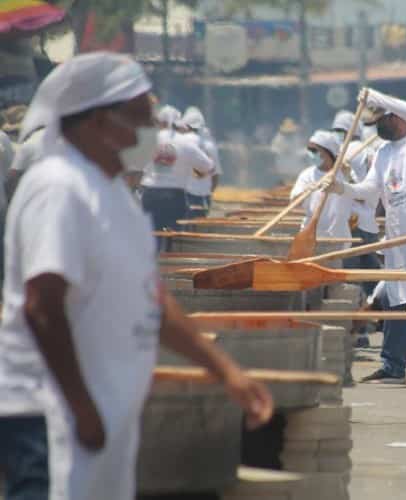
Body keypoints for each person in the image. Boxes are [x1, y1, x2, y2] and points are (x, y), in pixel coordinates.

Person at [0, 51, 273, 500]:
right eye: (141, 116)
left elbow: (154, 301)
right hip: (49, 414)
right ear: (97, 122)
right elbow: (42, 304)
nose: (153, 130)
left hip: (102, 412)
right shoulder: (59, 186)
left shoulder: (117, 195)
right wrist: (80, 404)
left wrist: (227, 373)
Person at [325, 87, 406, 385]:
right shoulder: (383, 153)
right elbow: (369, 190)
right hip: (395, 239)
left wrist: (378, 97)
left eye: (382, 117)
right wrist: (342, 189)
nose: (378, 124)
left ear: (398, 117)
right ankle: (393, 365)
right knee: (395, 303)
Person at [332, 110, 380, 348]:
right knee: (369, 277)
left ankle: (362, 328)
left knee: (353, 281)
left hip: (350, 224)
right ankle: (368, 322)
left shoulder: (343, 152)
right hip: (366, 222)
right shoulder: (366, 151)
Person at [140, 105, 214, 243]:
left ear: (159, 122)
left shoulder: (148, 140)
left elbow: (132, 166)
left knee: (150, 239)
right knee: (174, 241)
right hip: (174, 198)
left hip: (150, 195)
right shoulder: (186, 142)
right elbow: (208, 167)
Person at [291, 130, 352, 243]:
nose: (309, 153)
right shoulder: (307, 174)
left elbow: (361, 198)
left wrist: (349, 178)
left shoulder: (343, 173)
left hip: (339, 236)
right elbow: (294, 202)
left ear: (328, 152)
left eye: (313, 150)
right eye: (308, 149)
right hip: (310, 236)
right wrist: (305, 191)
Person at [180, 106, 222, 218]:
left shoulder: (182, 142)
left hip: (186, 195)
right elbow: (216, 175)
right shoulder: (210, 144)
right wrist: (208, 192)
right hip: (203, 196)